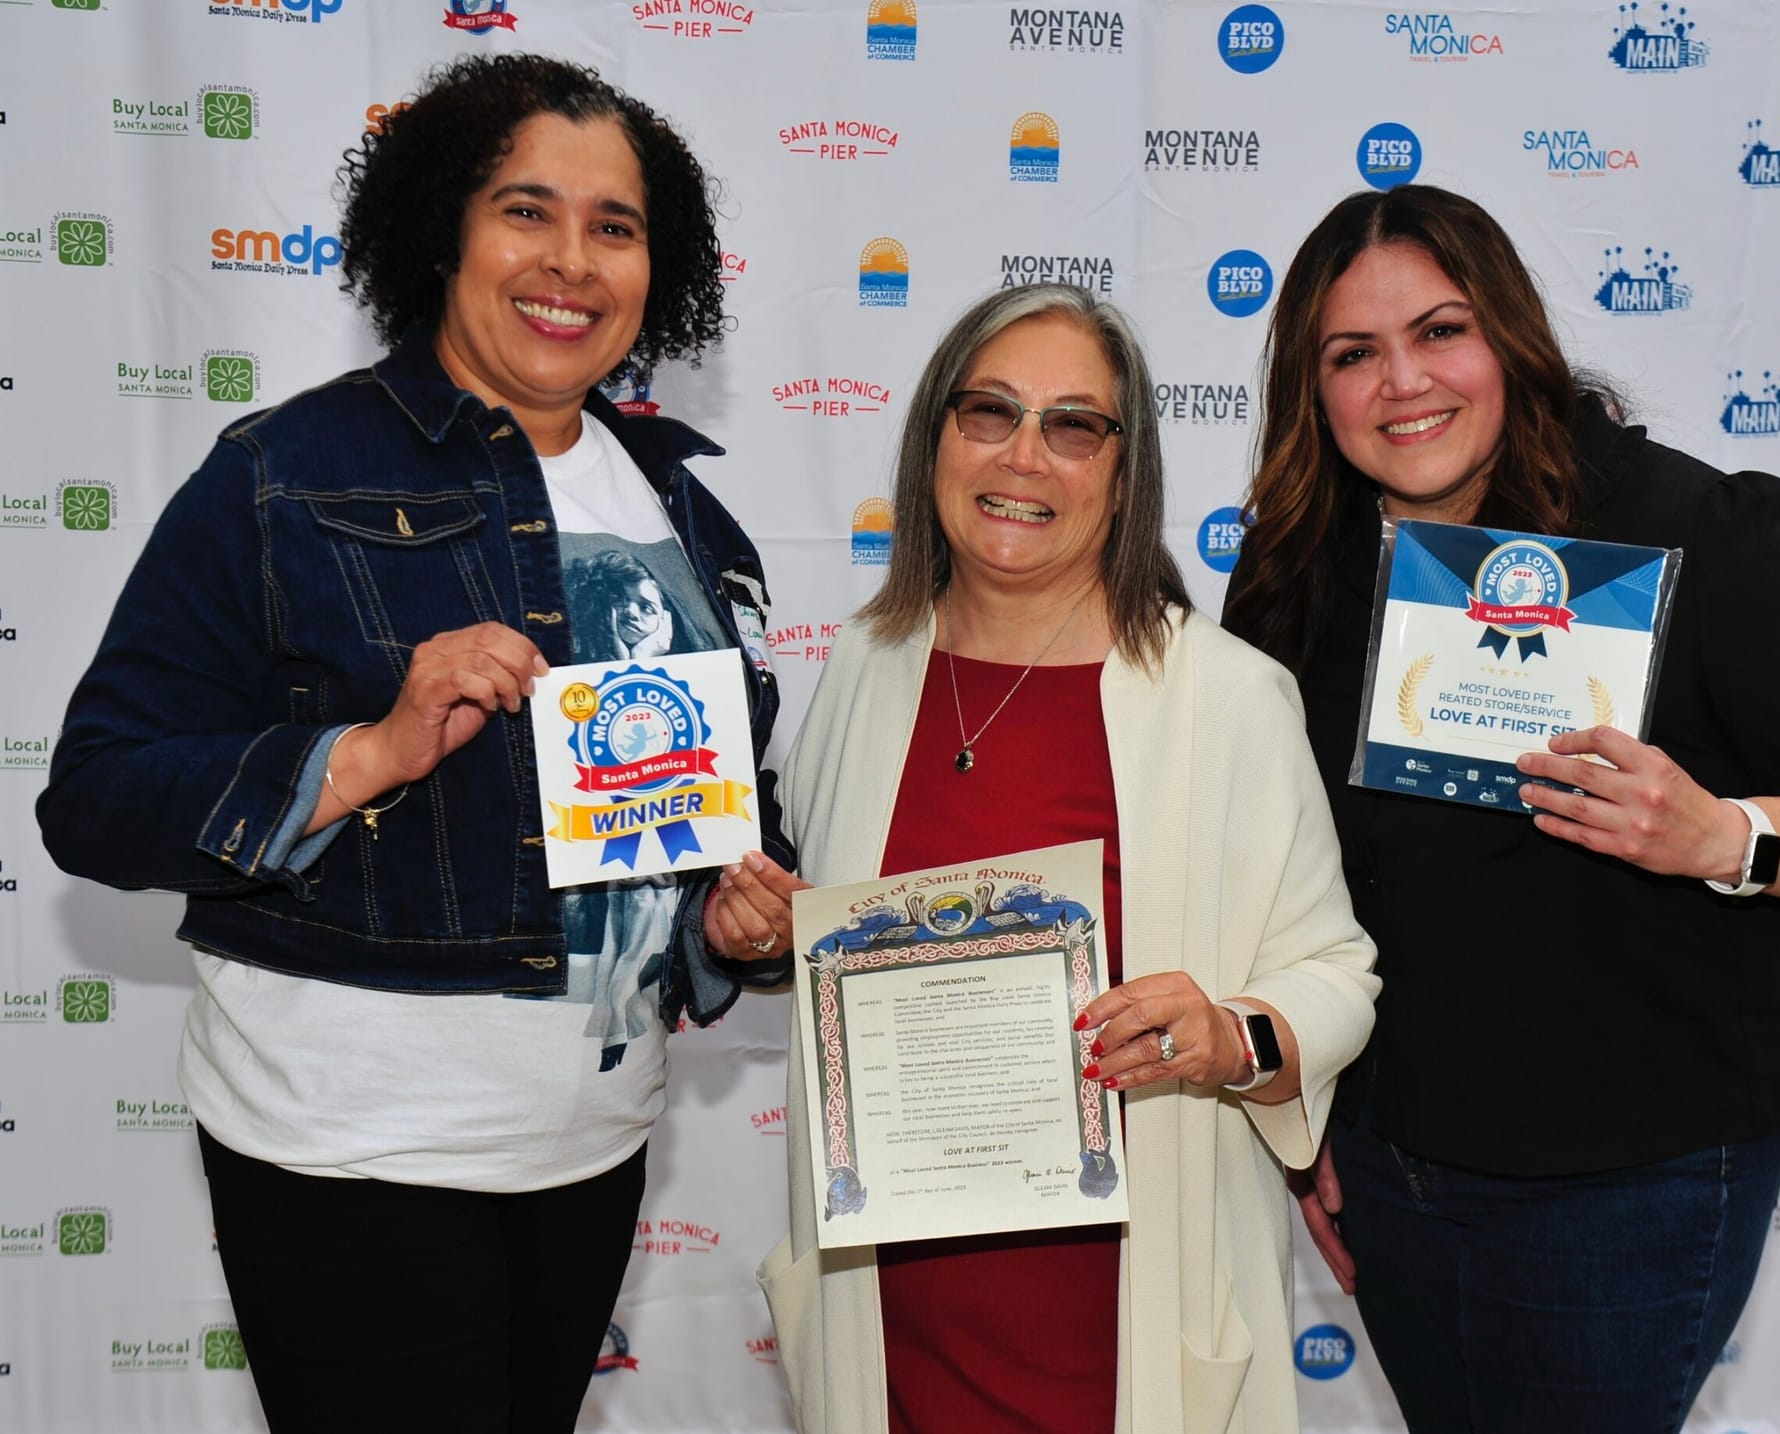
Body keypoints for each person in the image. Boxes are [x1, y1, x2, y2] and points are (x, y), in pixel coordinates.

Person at [37, 54, 792, 1432]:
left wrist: (736, 918)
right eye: (526, 210)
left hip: (591, 1149)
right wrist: (371, 750)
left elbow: (712, 812)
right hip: (352, 1156)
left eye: (615, 227)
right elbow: (94, 797)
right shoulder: (283, 473)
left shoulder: (683, 508)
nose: (572, 262)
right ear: (442, 230)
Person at [1222, 184, 1780, 1433]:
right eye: (1351, 354)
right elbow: (1276, 868)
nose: (1402, 381)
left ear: (1509, 335)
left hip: (1633, 1176)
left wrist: (1723, 837)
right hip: (1388, 1158)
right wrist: (1297, 1121)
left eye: (1440, 331)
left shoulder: (1692, 529)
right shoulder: (1294, 569)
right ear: (1312, 389)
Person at [717, 282, 1381, 1434]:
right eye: (989, 412)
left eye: (1074, 426)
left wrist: (1228, 1035)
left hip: (1123, 1325)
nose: (1023, 456)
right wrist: (767, 936)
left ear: (1125, 475)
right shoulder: (868, 666)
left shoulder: (1226, 697)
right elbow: (823, 936)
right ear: (934, 440)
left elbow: (1334, 974)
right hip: (894, 1326)